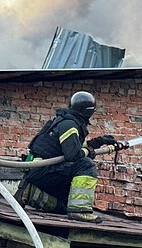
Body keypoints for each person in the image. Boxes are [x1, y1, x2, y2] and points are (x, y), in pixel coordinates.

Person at [19, 91, 121, 223]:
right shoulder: (70, 125)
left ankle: (30, 192)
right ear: (89, 112)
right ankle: (80, 210)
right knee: (86, 164)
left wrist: (99, 142)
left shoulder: (64, 121)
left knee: (65, 205)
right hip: (44, 170)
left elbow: (69, 146)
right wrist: (89, 151)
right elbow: (73, 155)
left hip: (38, 172)